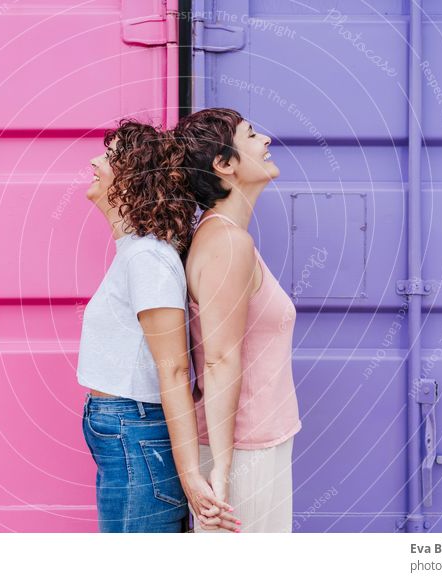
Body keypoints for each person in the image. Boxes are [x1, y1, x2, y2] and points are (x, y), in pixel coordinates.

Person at [77, 120, 237, 532]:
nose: (95, 161)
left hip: (135, 430)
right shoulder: (136, 252)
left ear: (132, 180)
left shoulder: (147, 257)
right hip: (126, 429)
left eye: (109, 158)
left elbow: (174, 368)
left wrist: (188, 476)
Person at [173, 108, 302, 533]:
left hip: (252, 444)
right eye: (250, 134)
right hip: (244, 450)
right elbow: (218, 361)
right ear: (224, 164)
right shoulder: (228, 243)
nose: (265, 139)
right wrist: (223, 474)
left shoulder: (225, 236)